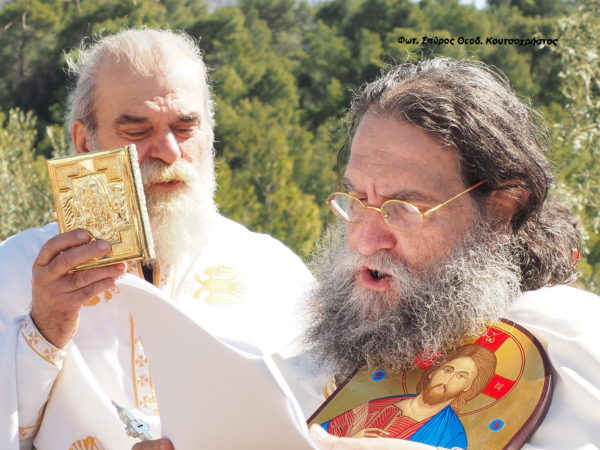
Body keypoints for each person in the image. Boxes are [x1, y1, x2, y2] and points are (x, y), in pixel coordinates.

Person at [129, 59, 600, 450]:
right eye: (357, 201)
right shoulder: (305, 374)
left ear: (500, 211)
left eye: (404, 209)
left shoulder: (578, 348)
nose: (367, 240)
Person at [0, 28, 313, 449]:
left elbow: (327, 429)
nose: (168, 150)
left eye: (185, 127)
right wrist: (44, 330)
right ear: (84, 141)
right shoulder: (14, 270)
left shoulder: (274, 271)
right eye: (137, 131)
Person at [322, 345, 496, 448]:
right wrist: (349, 443)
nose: (448, 379)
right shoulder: (378, 406)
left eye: (461, 376)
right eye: (447, 370)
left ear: (468, 387)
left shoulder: (452, 436)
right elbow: (319, 435)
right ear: (433, 372)